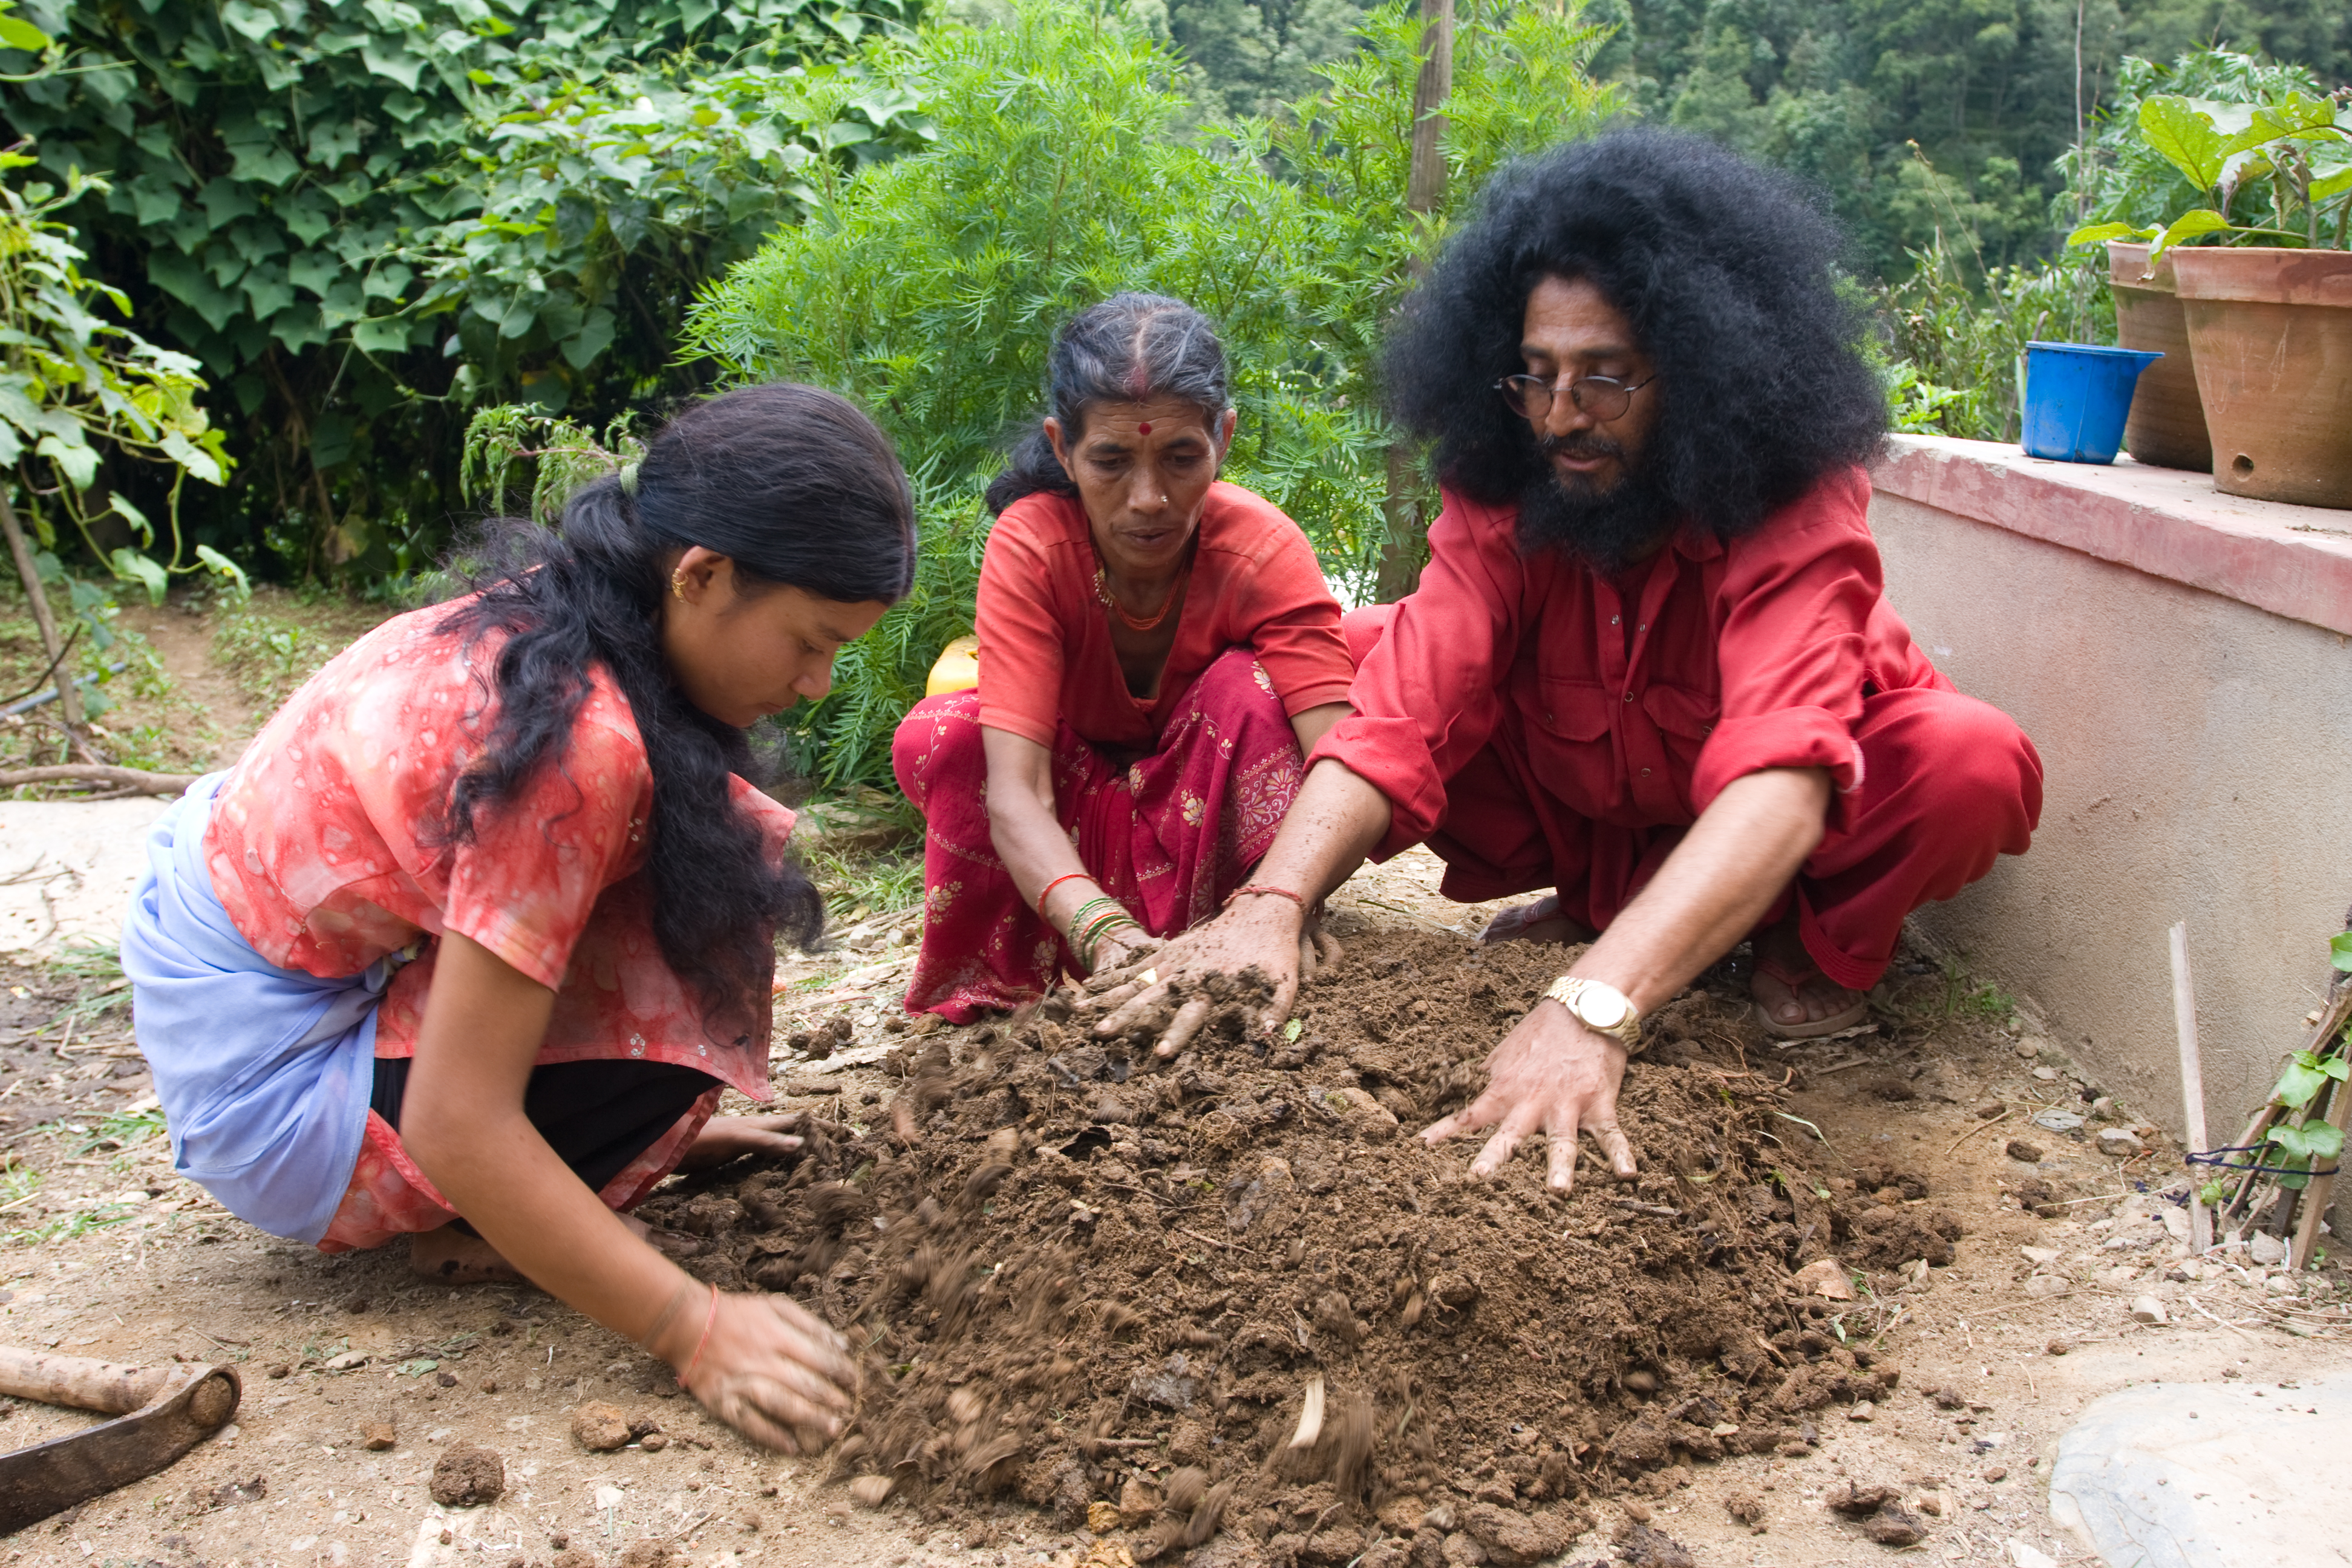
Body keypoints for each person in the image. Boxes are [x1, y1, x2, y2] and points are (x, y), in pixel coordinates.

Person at [1089, 131, 2043, 1189]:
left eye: (1604, 380)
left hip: (1775, 829)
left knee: (1969, 761)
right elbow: (1403, 709)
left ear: (1697, 370)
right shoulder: (1509, 480)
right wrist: (1269, 905)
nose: (1559, 417)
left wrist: (1590, 1006)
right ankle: (1602, 905)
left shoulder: (1788, 496)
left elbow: (1781, 777)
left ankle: (1786, 944)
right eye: (1534, 376)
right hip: (1587, 805)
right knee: (1351, 657)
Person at [121, 385, 918, 1451]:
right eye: (810, 643)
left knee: (702, 872)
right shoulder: (574, 751)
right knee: (674, 1017)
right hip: (266, 1085)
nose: (818, 685)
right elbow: (459, 1120)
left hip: (237, 933)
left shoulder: (573, 608)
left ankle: (544, 1169)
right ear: (702, 575)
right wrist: (694, 1324)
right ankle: (464, 1228)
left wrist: (655, 1144)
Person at [892, 293, 1355, 1020]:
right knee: (946, 734)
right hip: (1064, 846)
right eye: (1111, 460)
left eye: (1180, 458)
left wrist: (1284, 902)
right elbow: (1018, 792)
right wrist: (1103, 933)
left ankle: (1233, 937)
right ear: (1061, 449)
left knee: (1252, 689)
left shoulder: (1262, 550)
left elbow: (1341, 762)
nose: (1148, 499)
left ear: (1224, 440)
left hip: (1208, 842)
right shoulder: (1035, 547)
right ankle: (1008, 997)